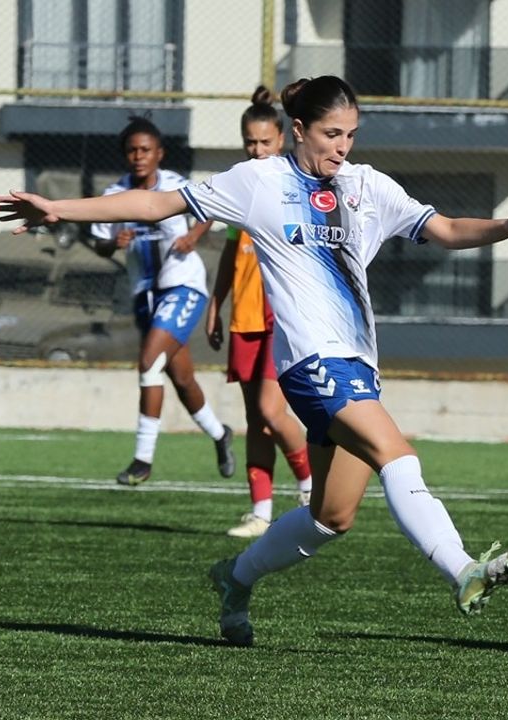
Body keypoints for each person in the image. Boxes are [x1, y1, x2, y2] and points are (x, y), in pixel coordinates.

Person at [0, 75, 508, 644]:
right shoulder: (259, 181)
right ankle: (463, 569)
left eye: (351, 135)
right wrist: (58, 208)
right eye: (332, 134)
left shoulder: (367, 187)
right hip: (311, 365)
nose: (343, 147)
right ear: (300, 130)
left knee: (332, 519)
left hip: (357, 367)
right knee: (395, 452)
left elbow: (448, 229)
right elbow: (159, 203)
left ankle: (233, 579)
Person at [90, 116, 235, 486]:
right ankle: (220, 435)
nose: (139, 156)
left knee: (149, 362)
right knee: (181, 377)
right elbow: (99, 242)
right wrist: (112, 244)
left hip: (182, 286)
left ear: (159, 154)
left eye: (146, 150)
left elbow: (210, 209)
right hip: (145, 294)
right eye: (132, 150)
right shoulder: (113, 195)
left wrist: (193, 236)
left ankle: (142, 460)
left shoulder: (175, 185)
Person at [205, 87, 314, 538]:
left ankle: (310, 483)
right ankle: (261, 510)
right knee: (254, 419)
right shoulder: (242, 190)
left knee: (271, 411)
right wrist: (216, 303)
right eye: (250, 142)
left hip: (280, 319)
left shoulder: (294, 187)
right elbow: (233, 254)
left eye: (264, 142)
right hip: (245, 318)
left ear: (283, 140)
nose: (256, 149)